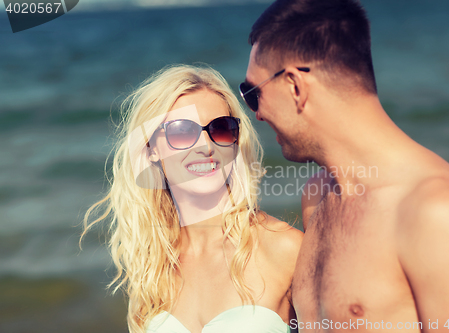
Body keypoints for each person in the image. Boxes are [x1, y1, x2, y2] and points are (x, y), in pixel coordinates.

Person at [240, 0, 449, 331]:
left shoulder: (439, 211)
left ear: (295, 86)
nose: (257, 114)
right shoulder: (317, 197)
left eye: (253, 93)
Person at [82, 65, 303, 333]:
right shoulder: (154, 267)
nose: (206, 147)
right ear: (151, 148)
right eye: (181, 131)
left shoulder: (285, 249)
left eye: (220, 128)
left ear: (235, 141)